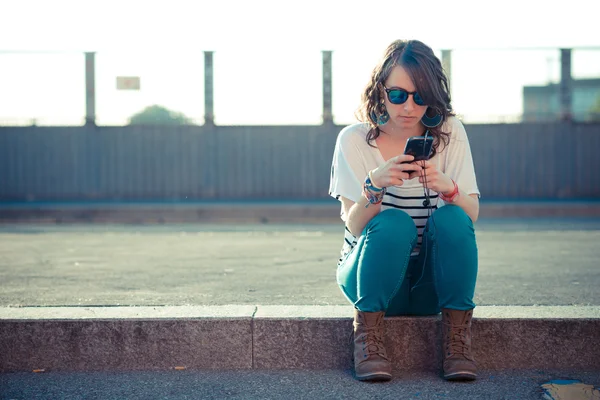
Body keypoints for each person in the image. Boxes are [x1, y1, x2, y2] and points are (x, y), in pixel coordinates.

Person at [328, 39, 480, 382]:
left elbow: (471, 215)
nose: (409, 106)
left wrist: (448, 188)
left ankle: (457, 343)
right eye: (398, 94)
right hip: (370, 277)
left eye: (420, 96)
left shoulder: (449, 133)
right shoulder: (354, 140)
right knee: (393, 222)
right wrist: (374, 185)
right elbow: (353, 225)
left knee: (453, 216)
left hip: (429, 283)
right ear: (380, 91)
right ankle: (367, 337)